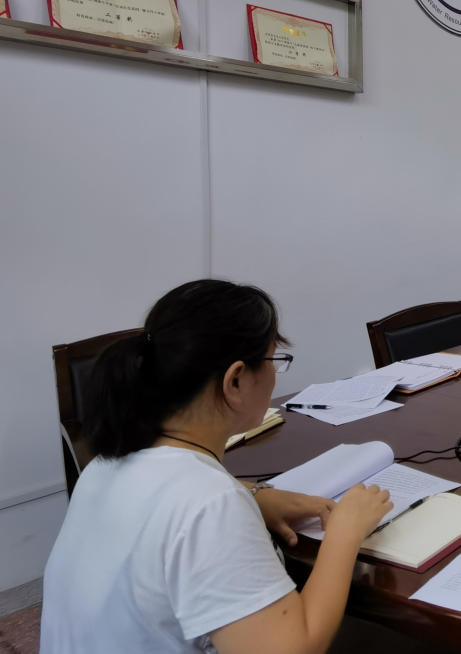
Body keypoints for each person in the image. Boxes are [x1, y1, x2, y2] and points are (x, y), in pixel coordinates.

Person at [42, 280, 394, 654]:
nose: (276, 375)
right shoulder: (211, 504)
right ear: (235, 380)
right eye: (274, 361)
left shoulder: (107, 462)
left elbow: (171, 506)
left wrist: (255, 495)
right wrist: (345, 532)